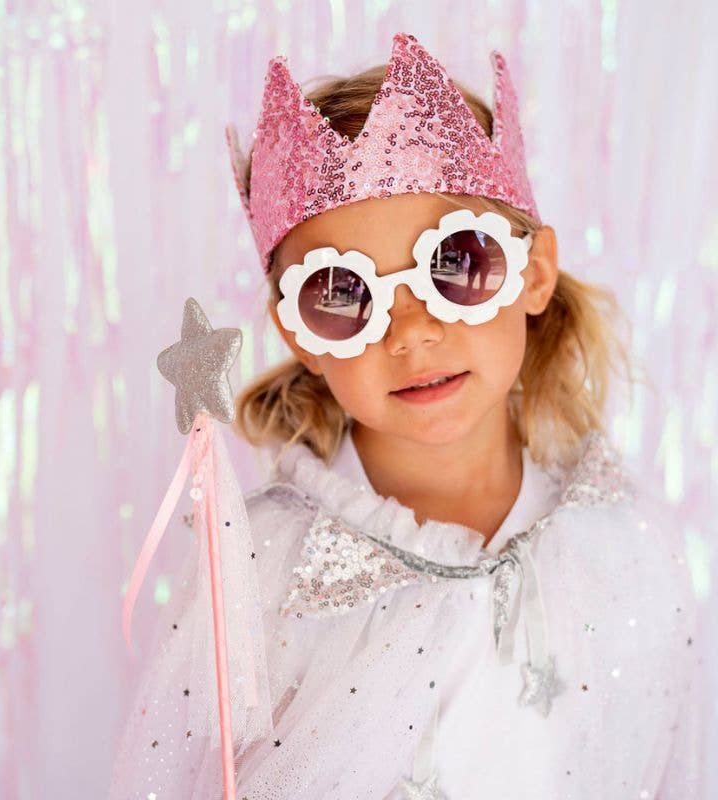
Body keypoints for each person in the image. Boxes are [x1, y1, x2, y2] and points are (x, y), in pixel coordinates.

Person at [108, 32, 705, 799]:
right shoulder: (262, 563)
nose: (410, 331)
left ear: (535, 272)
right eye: (342, 294)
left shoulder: (620, 538)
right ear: (297, 332)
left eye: (458, 263)